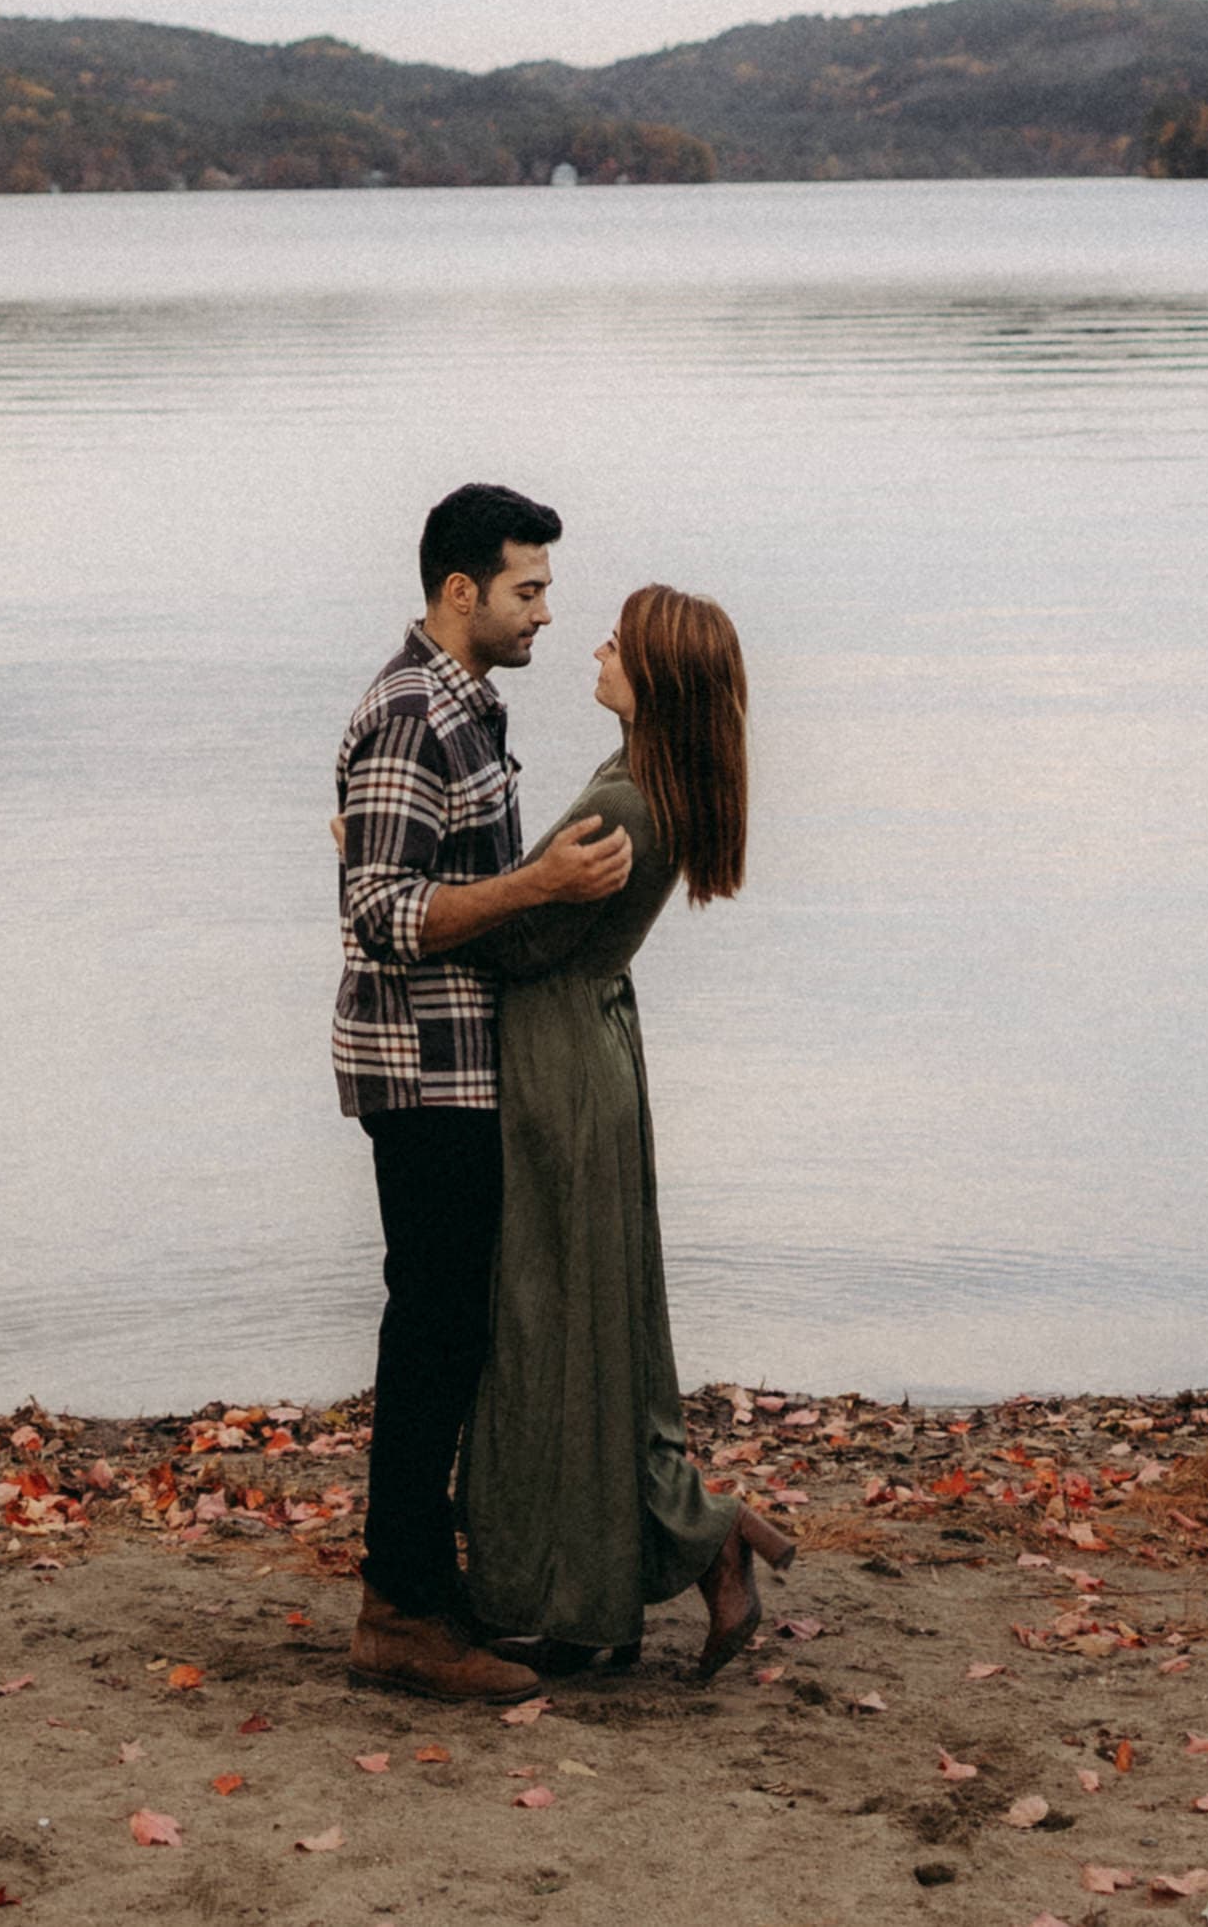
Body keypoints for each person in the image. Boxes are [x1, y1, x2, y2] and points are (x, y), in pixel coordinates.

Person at [457, 584, 798, 1673]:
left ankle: (591, 1584)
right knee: (596, 1337)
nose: (597, 643)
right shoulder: (650, 782)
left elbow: (520, 944)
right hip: (590, 1045)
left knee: (547, 1334)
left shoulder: (629, 801)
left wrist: (447, 899)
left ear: (658, 677)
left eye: (621, 636)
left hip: (558, 1060)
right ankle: (690, 1546)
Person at [332, 480, 635, 1702]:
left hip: (460, 1064)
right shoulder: (412, 713)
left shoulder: (468, 708)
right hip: (420, 1066)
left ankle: (425, 1590)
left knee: (452, 1330)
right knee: (434, 1333)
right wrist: (539, 886)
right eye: (528, 588)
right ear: (461, 590)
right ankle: (400, 1609)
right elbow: (381, 910)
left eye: (547, 588)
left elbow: (398, 867)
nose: (547, 612)